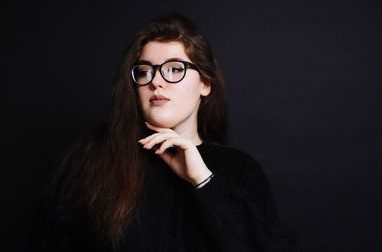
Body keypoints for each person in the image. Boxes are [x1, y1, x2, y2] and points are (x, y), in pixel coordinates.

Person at [29, 14, 296, 251]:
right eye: (145, 71)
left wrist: (203, 181)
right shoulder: (85, 162)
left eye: (174, 69)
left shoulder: (239, 171)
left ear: (205, 83)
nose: (156, 81)